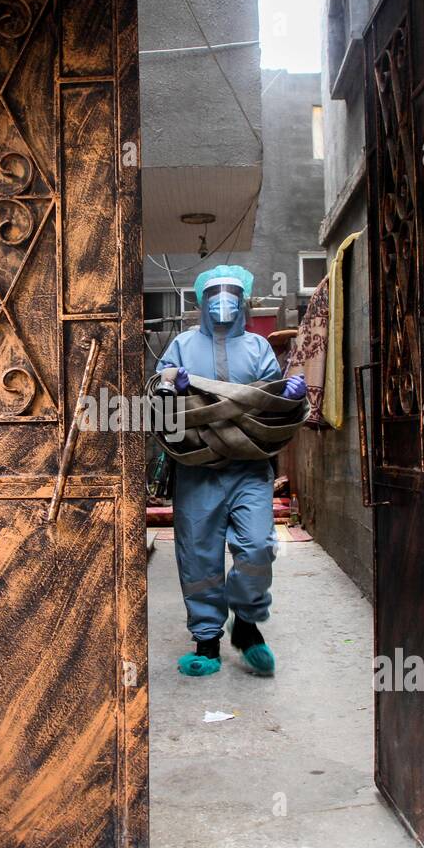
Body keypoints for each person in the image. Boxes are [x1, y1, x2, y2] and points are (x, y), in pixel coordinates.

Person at [156, 265, 307, 677]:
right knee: (199, 554)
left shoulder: (258, 348)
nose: (223, 304)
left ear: (244, 302)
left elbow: (272, 405)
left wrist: (290, 395)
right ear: (202, 302)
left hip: (250, 467)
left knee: (258, 546)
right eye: (215, 297)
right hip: (197, 469)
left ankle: (246, 623)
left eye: (231, 297)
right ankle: (206, 641)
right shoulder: (183, 344)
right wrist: (174, 382)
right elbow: (160, 392)